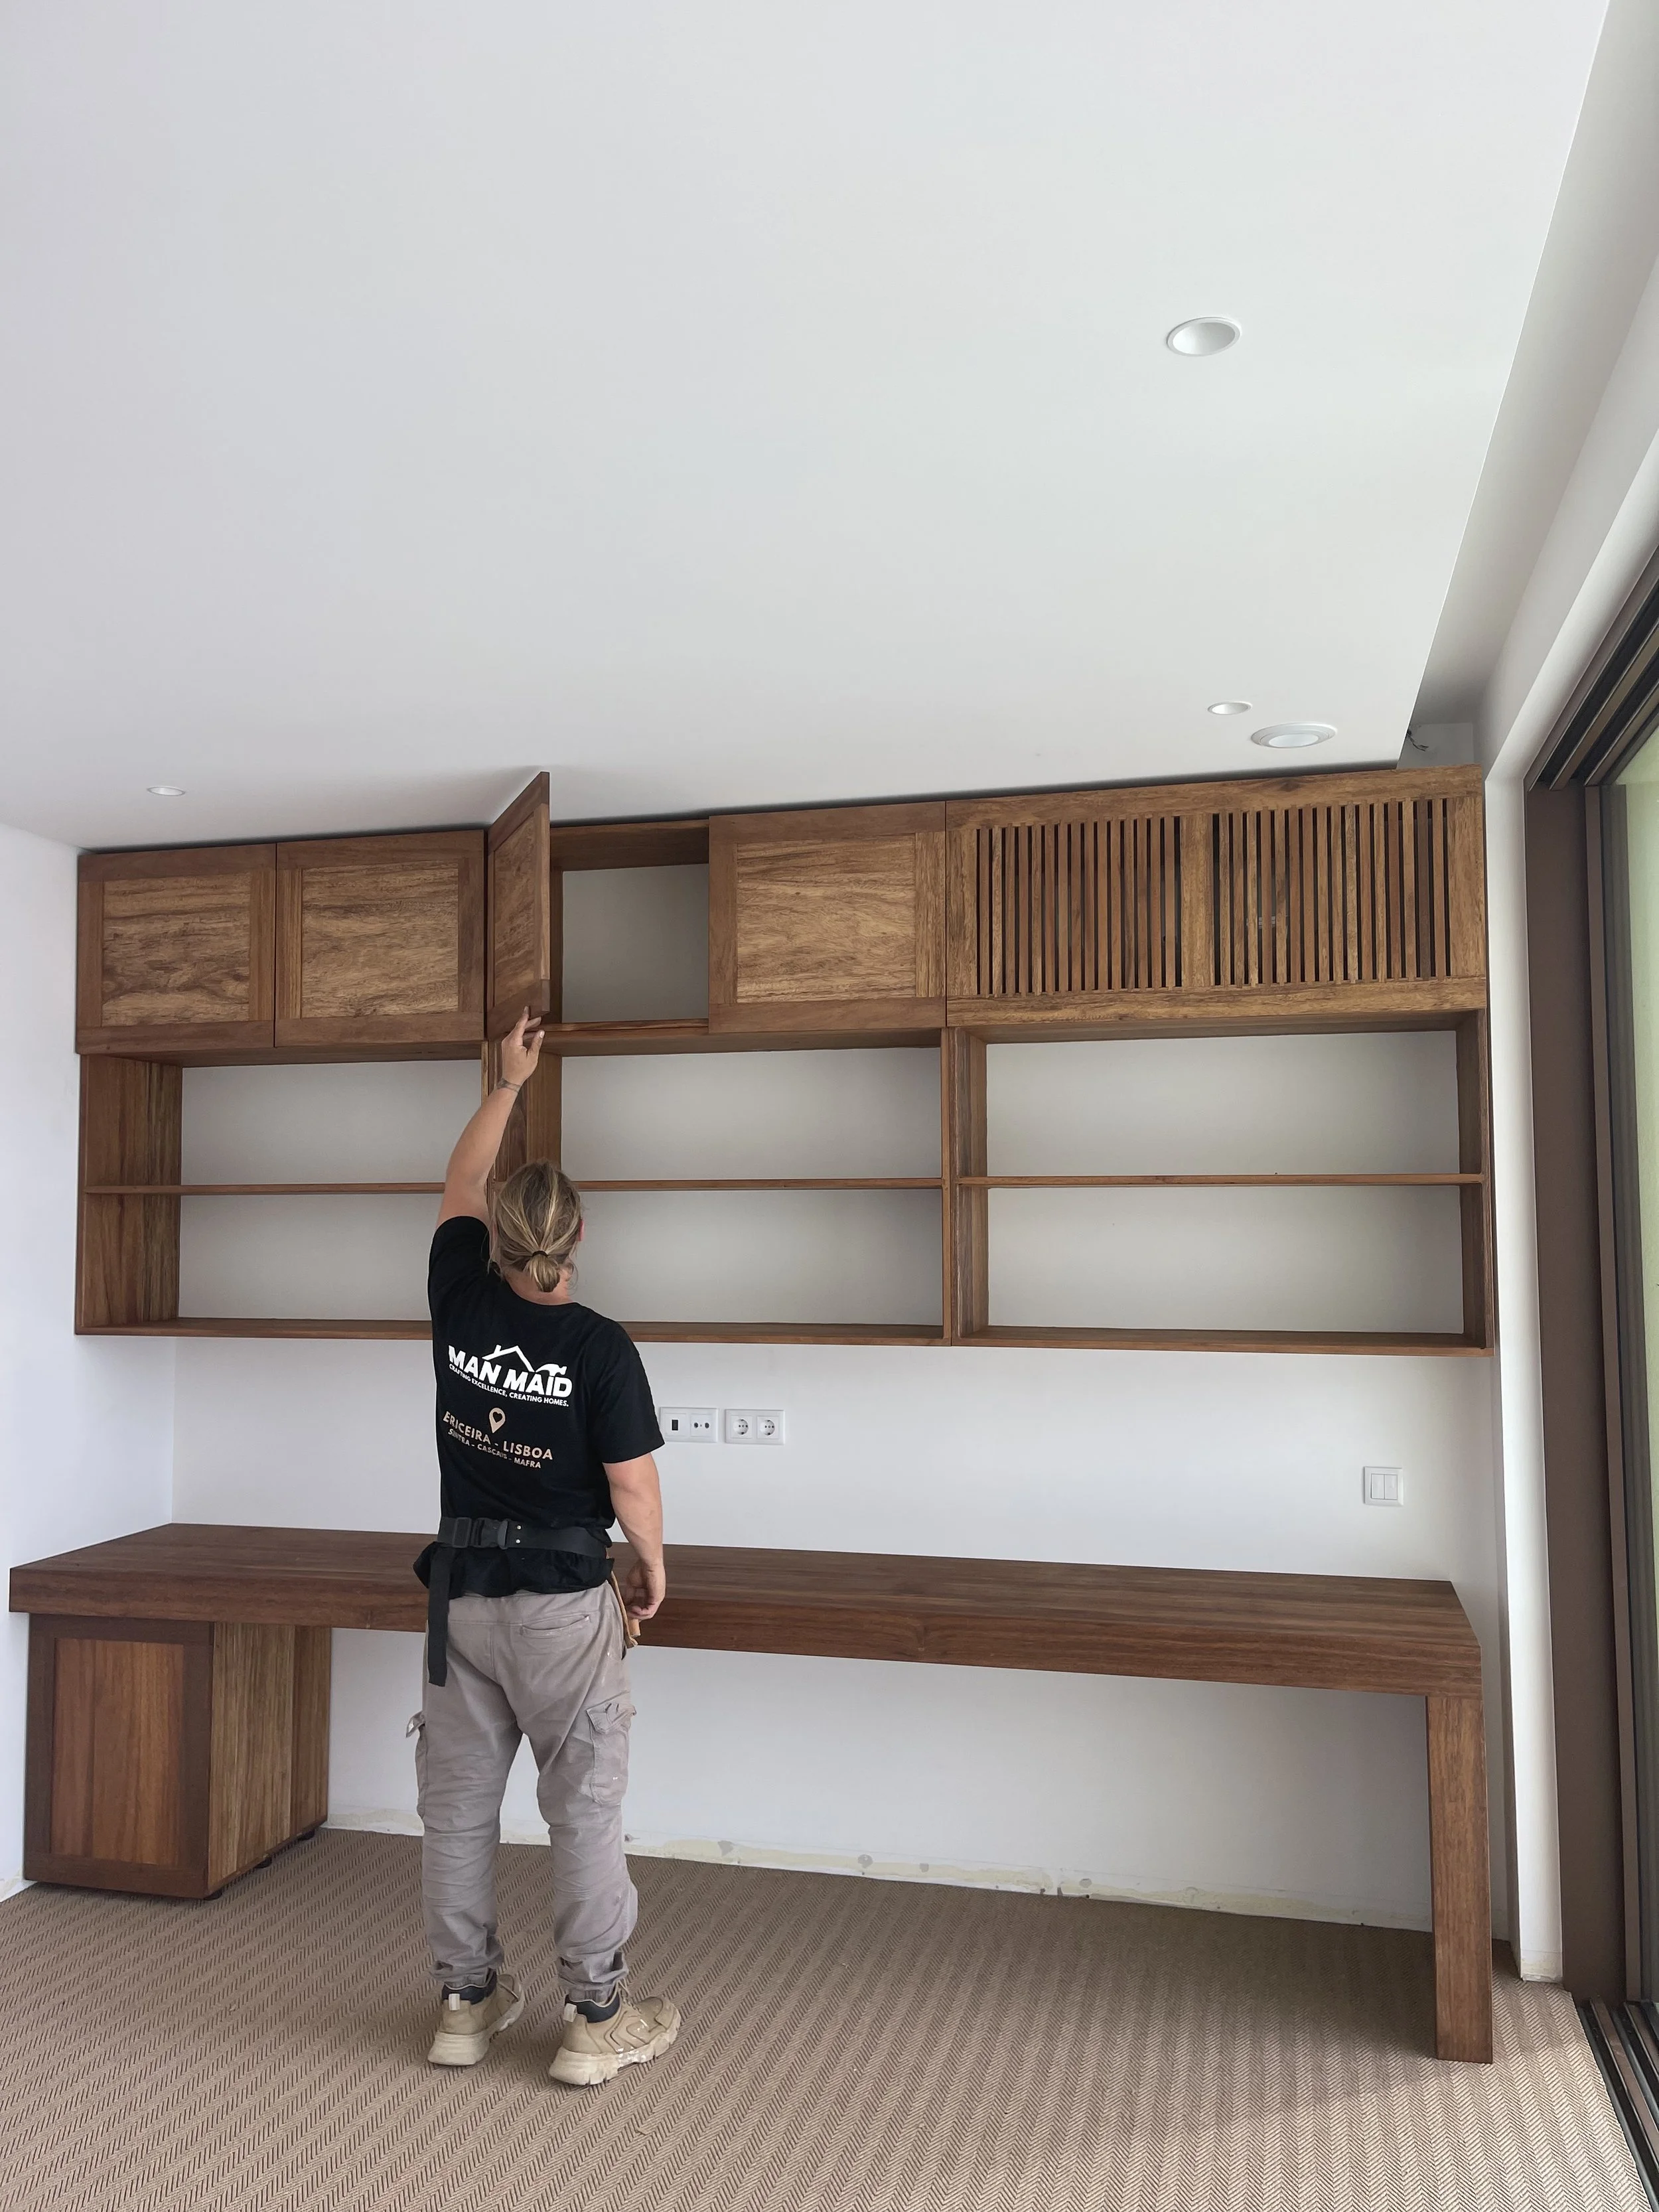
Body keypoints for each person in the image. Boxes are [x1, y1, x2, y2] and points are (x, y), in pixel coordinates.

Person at [411, 1007, 680, 2087]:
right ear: (575, 1242)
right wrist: (653, 1564)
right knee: (583, 1811)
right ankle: (594, 2017)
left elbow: (458, 1183)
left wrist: (510, 1083)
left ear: (498, 1241)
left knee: (458, 1813)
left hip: (462, 1603)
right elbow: (632, 1483)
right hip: (565, 1609)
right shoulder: (600, 1347)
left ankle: (465, 2006)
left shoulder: (457, 1301)